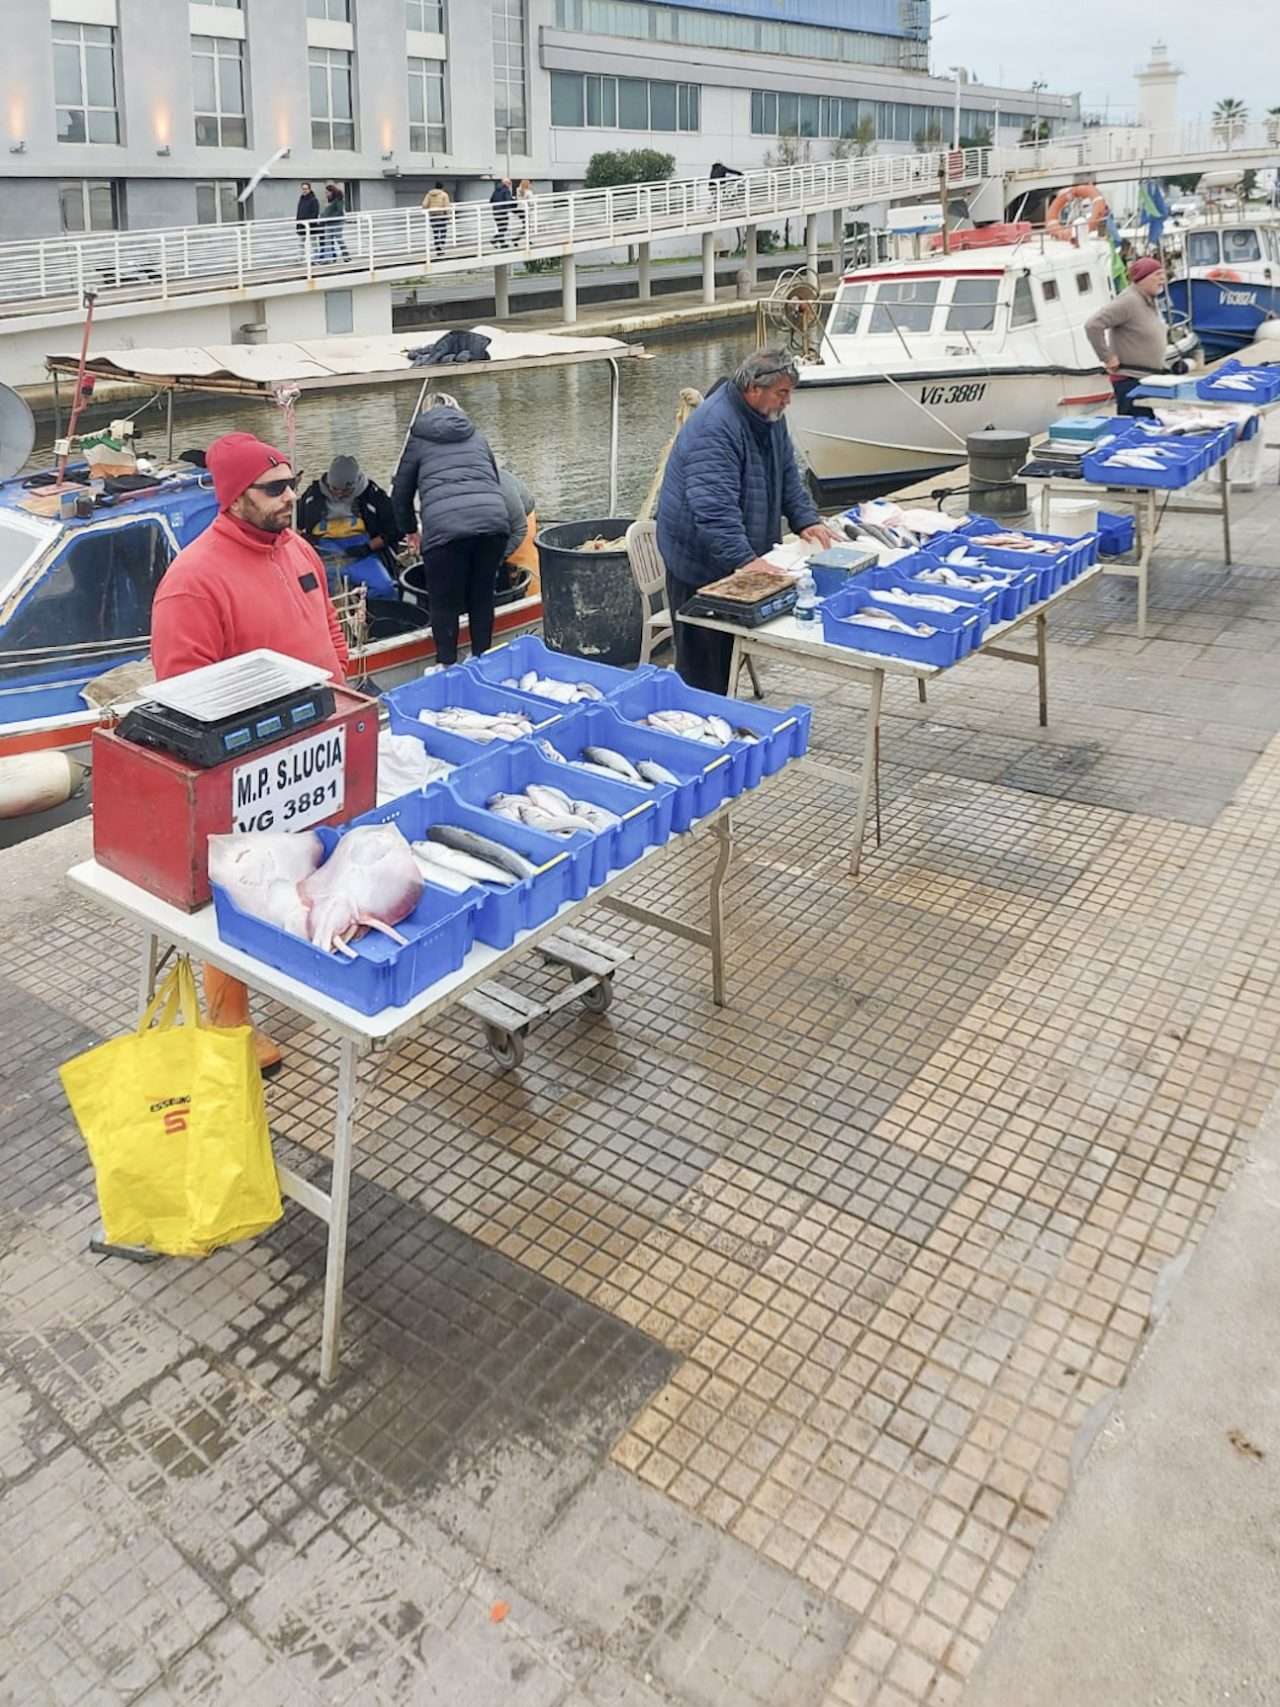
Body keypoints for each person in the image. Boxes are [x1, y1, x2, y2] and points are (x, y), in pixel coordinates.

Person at [151, 433, 349, 1073]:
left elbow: (327, 628)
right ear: (235, 497)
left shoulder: (296, 546)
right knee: (235, 884)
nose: (291, 497)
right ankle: (229, 1022)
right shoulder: (193, 583)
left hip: (319, 743)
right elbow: (182, 695)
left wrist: (348, 692)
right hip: (248, 767)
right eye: (274, 489)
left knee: (315, 863)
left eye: (293, 482)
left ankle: (314, 957)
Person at [656, 350, 839, 694]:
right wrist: (745, 561)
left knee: (727, 652)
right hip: (697, 561)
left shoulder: (769, 417)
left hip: (733, 555)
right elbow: (713, 509)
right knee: (702, 666)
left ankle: (723, 711)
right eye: (782, 393)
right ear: (755, 388)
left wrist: (806, 520)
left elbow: (787, 474)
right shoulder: (715, 427)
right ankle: (696, 726)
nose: (788, 401)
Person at [391, 398, 509, 665]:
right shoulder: (476, 435)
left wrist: (410, 530)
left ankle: (447, 664)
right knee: (482, 596)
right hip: (493, 523)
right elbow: (493, 478)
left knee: (443, 602)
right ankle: (482, 661)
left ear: (425, 413)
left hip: (445, 530)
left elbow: (401, 493)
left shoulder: (418, 438)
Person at [297, 454, 402, 600]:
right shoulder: (313, 495)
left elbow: (396, 529)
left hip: (362, 551)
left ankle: (369, 611)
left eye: (346, 490)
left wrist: (368, 547)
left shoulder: (372, 495)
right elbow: (294, 524)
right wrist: (305, 539)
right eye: (334, 489)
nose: (339, 494)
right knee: (317, 594)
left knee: (384, 588)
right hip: (324, 551)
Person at [1085, 255, 1170, 415]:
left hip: (1149, 379)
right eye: (1157, 275)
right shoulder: (1128, 301)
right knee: (1136, 426)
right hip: (1130, 381)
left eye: (1163, 274)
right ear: (1142, 278)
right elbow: (1093, 325)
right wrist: (1107, 357)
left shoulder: (1149, 299)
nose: (1162, 279)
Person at [497, 465, 540, 595]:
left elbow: (519, 530)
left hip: (519, 523)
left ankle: (532, 600)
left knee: (523, 567)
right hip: (483, 523)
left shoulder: (503, 487)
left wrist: (496, 559)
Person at [318, 181, 349, 263]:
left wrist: (328, 217)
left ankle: (346, 256)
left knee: (339, 239)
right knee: (327, 240)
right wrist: (322, 216)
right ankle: (328, 258)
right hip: (328, 222)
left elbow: (339, 212)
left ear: (331, 192)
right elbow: (327, 211)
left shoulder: (338, 200)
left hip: (337, 222)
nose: (325, 194)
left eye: (327, 192)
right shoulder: (329, 200)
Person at [423, 180, 450, 258]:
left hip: (432, 215)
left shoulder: (429, 194)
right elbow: (446, 206)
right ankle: (441, 245)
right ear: (442, 187)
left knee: (435, 231)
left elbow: (424, 204)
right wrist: (448, 215)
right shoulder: (444, 195)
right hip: (441, 215)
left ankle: (437, 245)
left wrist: (429, 210)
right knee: (443, 231)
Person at [490, 177, 516, 248]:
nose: (510, 185)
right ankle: (494, 240)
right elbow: (508, 201)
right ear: (505, 183)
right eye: (509, 183)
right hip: (503, 212)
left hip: (495, 212)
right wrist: (513, 205)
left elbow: (491, 200)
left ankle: (502, 243)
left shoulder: (496, 190)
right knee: (504, 228)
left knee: (500, 228)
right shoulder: (506, 190)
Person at [295, 181, 319, 258]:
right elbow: (299, 212)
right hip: (301, 225)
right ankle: (300, 258)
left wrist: (310, 222)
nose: (304, 190)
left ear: (309, 189)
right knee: (300, 243)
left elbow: (315, 213)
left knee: (313, 243)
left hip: (311, 226)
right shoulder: (301, 199)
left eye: (306, 189)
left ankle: (315, 257)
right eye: (303, 189)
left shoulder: (314, 200)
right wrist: (298, 224)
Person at [515, 177, 533, 241]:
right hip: (525, 210)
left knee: (525, 225)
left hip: (519, 210)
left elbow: (517, 199)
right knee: (527, 226)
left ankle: (527, 240)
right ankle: (516, 239)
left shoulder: (518, 190)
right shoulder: (529, 192)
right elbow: (531, 202)